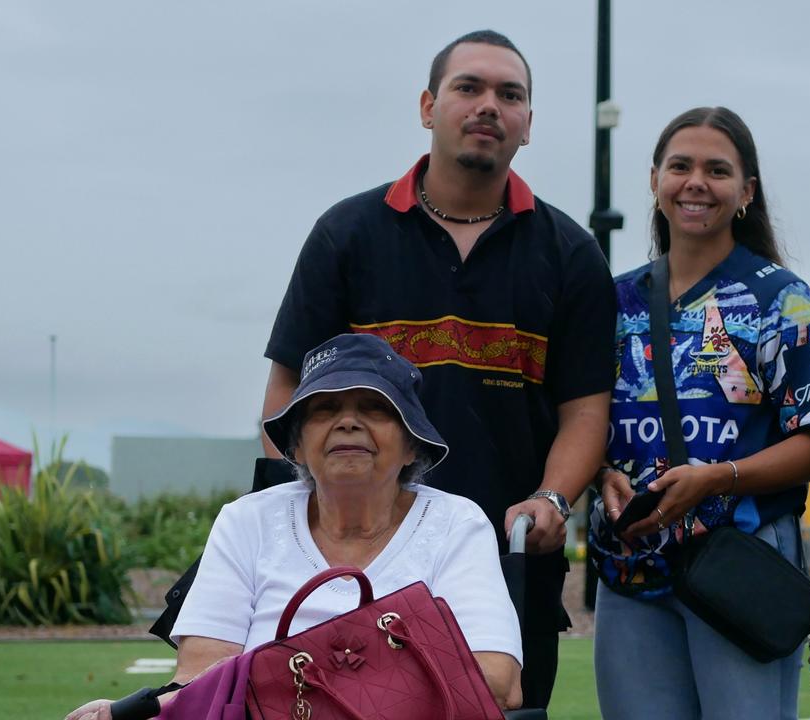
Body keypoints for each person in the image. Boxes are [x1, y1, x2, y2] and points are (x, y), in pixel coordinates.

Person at [260, 30, 615, 707]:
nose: (488, 106)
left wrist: (552, 500)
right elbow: (285, 396)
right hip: (353, 568)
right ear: (428, 107)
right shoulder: (348, 234)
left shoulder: (571, 253)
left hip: (505, 572)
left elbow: (585, 412)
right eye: (468, 88)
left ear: (528, 125)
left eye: (509, 95)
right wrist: (303, 519)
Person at [66, 333, 523, 720]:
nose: (348, 421)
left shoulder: (455, 523)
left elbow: (496, 680)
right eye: (324, 410)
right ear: (297, 447)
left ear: (411, 446)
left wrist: (285, 684)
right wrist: (126, 711)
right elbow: (200, 682)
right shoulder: (248, 520)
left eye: (375, 408)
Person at [588, 107, 810, 720]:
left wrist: (717, 478)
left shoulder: (782, 299)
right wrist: (600, 474)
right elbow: (580, 419)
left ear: (746, 193)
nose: (695, 182)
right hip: (630, 567)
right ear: (654, 180)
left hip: (740, 559)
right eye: (680, 166)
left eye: (717, 170)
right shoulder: (609, 300)